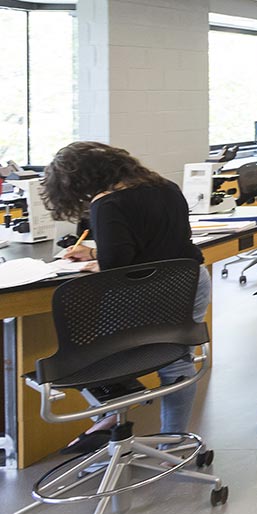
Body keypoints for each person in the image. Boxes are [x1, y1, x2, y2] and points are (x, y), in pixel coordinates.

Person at [43, 141, 210, 453]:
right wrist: (95, 253)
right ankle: (174, 445)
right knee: (176, 363)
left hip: (141, 296)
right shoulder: (166, 187)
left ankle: (111, 413)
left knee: (89, 358)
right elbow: (155, 243)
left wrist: (100, 262)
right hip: (190, 283)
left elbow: (116, 265)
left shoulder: (107, 204)